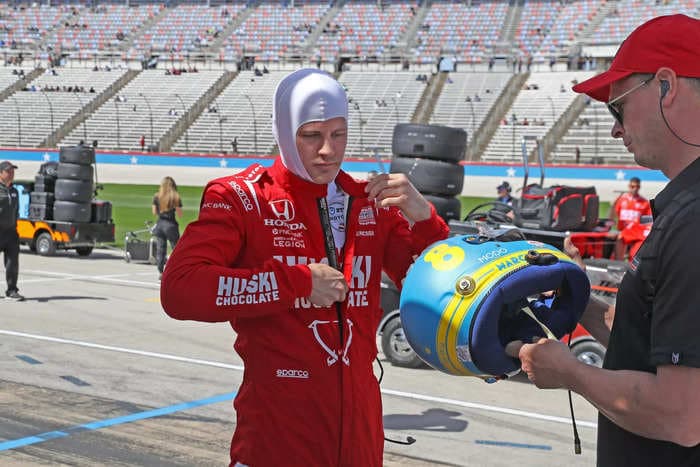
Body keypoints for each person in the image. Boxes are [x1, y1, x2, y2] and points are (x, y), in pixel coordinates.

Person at [160, 69, 449, 466]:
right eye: (312, 135)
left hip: (360, 441)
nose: (328, 150)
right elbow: (179, 289)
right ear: (285, 130)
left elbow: (441, 288)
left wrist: (425, 220)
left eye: (339, 134)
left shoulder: (369, 202)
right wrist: (295, 283)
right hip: (276, 441)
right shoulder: (242, 199)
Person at [507, 14, 700, 466]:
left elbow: (682, 415)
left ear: (666, 87)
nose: (615, 128)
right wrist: (577, 299)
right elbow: (655, 342)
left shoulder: (692, 220)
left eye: (618, 108)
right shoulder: (686, 208)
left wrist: (570, 372)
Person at [610, 176, 651, 259]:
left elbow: (648, 221)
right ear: (629, 186)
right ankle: (618, 262)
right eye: (632, 186)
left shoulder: (644, 202)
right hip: (622, 231)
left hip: (635, 233)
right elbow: (612, 215)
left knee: (634, 254)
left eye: (637, 187)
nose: (635, 189)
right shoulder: (621, 200)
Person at [0, 161, 24, 301]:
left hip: (11, 233)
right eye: (9, 171)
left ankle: (12, 290)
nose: (12, 174)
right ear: (1, 173)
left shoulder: (14, 191)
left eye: (13, 171)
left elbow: (16, 210)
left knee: (12, 263)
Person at [152, 177, 182, 280]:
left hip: (160, 223)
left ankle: (161, 271)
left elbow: (154, 212)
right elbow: (180, 213)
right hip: (170, 224)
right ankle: (176, 269)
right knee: (176, 249)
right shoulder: (175, 197)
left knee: (161, 249)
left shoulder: (157, 196)